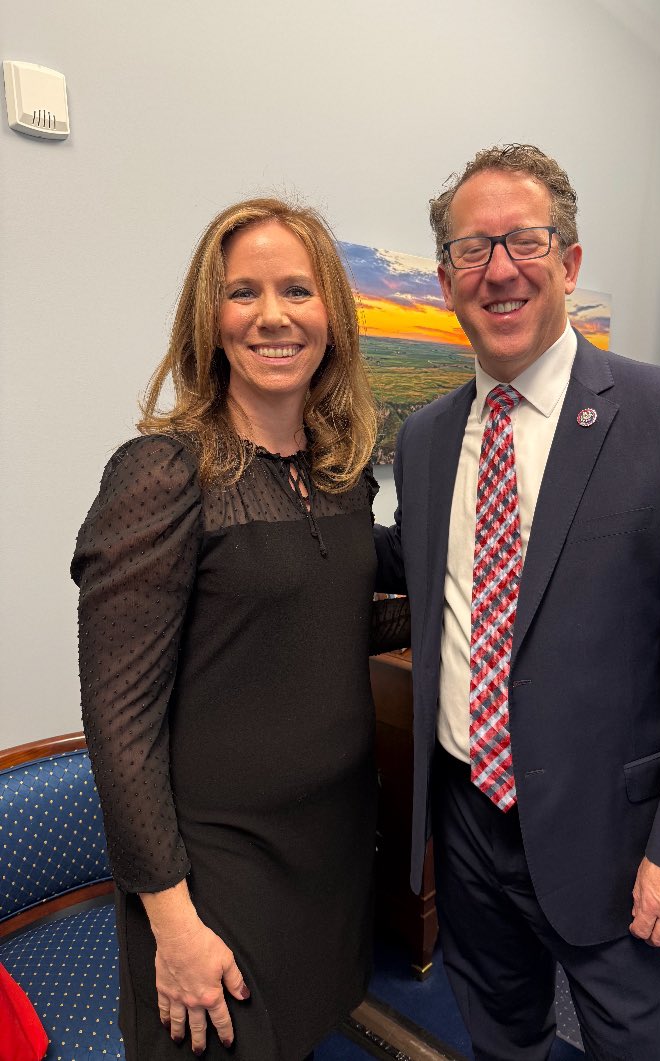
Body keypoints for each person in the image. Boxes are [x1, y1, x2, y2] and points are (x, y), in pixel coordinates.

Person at [373, 145, 660, 1060]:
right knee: (502, 1038)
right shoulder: (427, 438)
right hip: (467, 824)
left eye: (526, 240)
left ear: (569, 262)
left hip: (621, 843)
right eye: (472, 249)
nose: (499, 268)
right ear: (446, 281)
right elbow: (419, 569)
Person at [72, 197, 406, 1060]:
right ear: (209, 318)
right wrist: (172, 920)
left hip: (329, 851)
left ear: (331, 316)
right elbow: (119, 721)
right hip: (213, 870)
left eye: (297, 290)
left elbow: (336, 602)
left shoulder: (339, 473)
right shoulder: (163, 474)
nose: (272, 316)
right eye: (242, 292)